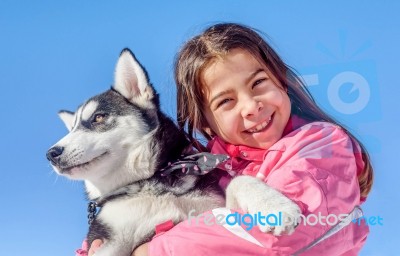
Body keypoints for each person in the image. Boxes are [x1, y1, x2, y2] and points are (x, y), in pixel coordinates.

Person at [86, 22, 373, 256]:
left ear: (280, 81)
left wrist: (150, 251)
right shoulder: (208, 173)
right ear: (205, 123)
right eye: (226, 101)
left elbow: (277, 235)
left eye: (258, 83)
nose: (250, 106)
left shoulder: (322, 146)